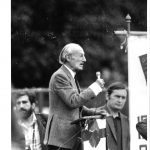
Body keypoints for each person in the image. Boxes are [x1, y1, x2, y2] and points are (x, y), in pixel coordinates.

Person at [44, 43, 105, 150]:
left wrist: (95, 112)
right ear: (68, 57)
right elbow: (73, 101)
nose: (85, 59)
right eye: (81, 55)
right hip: (60, 140)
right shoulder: (60, 76)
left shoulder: (69, 75)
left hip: (69, 140)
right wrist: (95, 87)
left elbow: (77, 107)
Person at [95, 82, 130, 150]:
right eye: (117, 96)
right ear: (107, 96)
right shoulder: (94, 116)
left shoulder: (126, 121)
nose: (120, 100)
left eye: (123, 98)